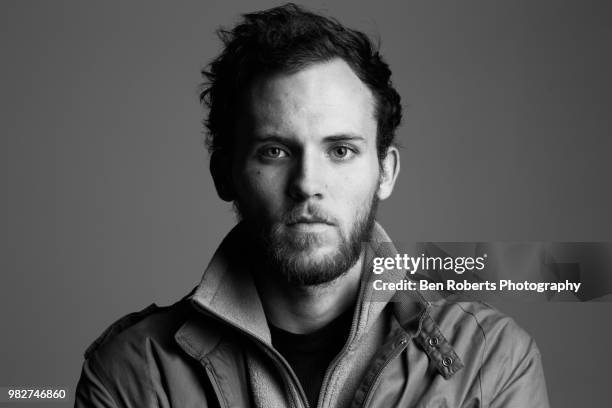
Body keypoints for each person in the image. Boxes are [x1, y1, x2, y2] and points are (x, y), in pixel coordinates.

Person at [75, 4, 550, 407]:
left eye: (340, 150)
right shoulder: (134, 373)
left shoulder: (491, 360)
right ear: (225, 173)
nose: (307, 184)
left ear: (385, 172)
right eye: (274, 151)